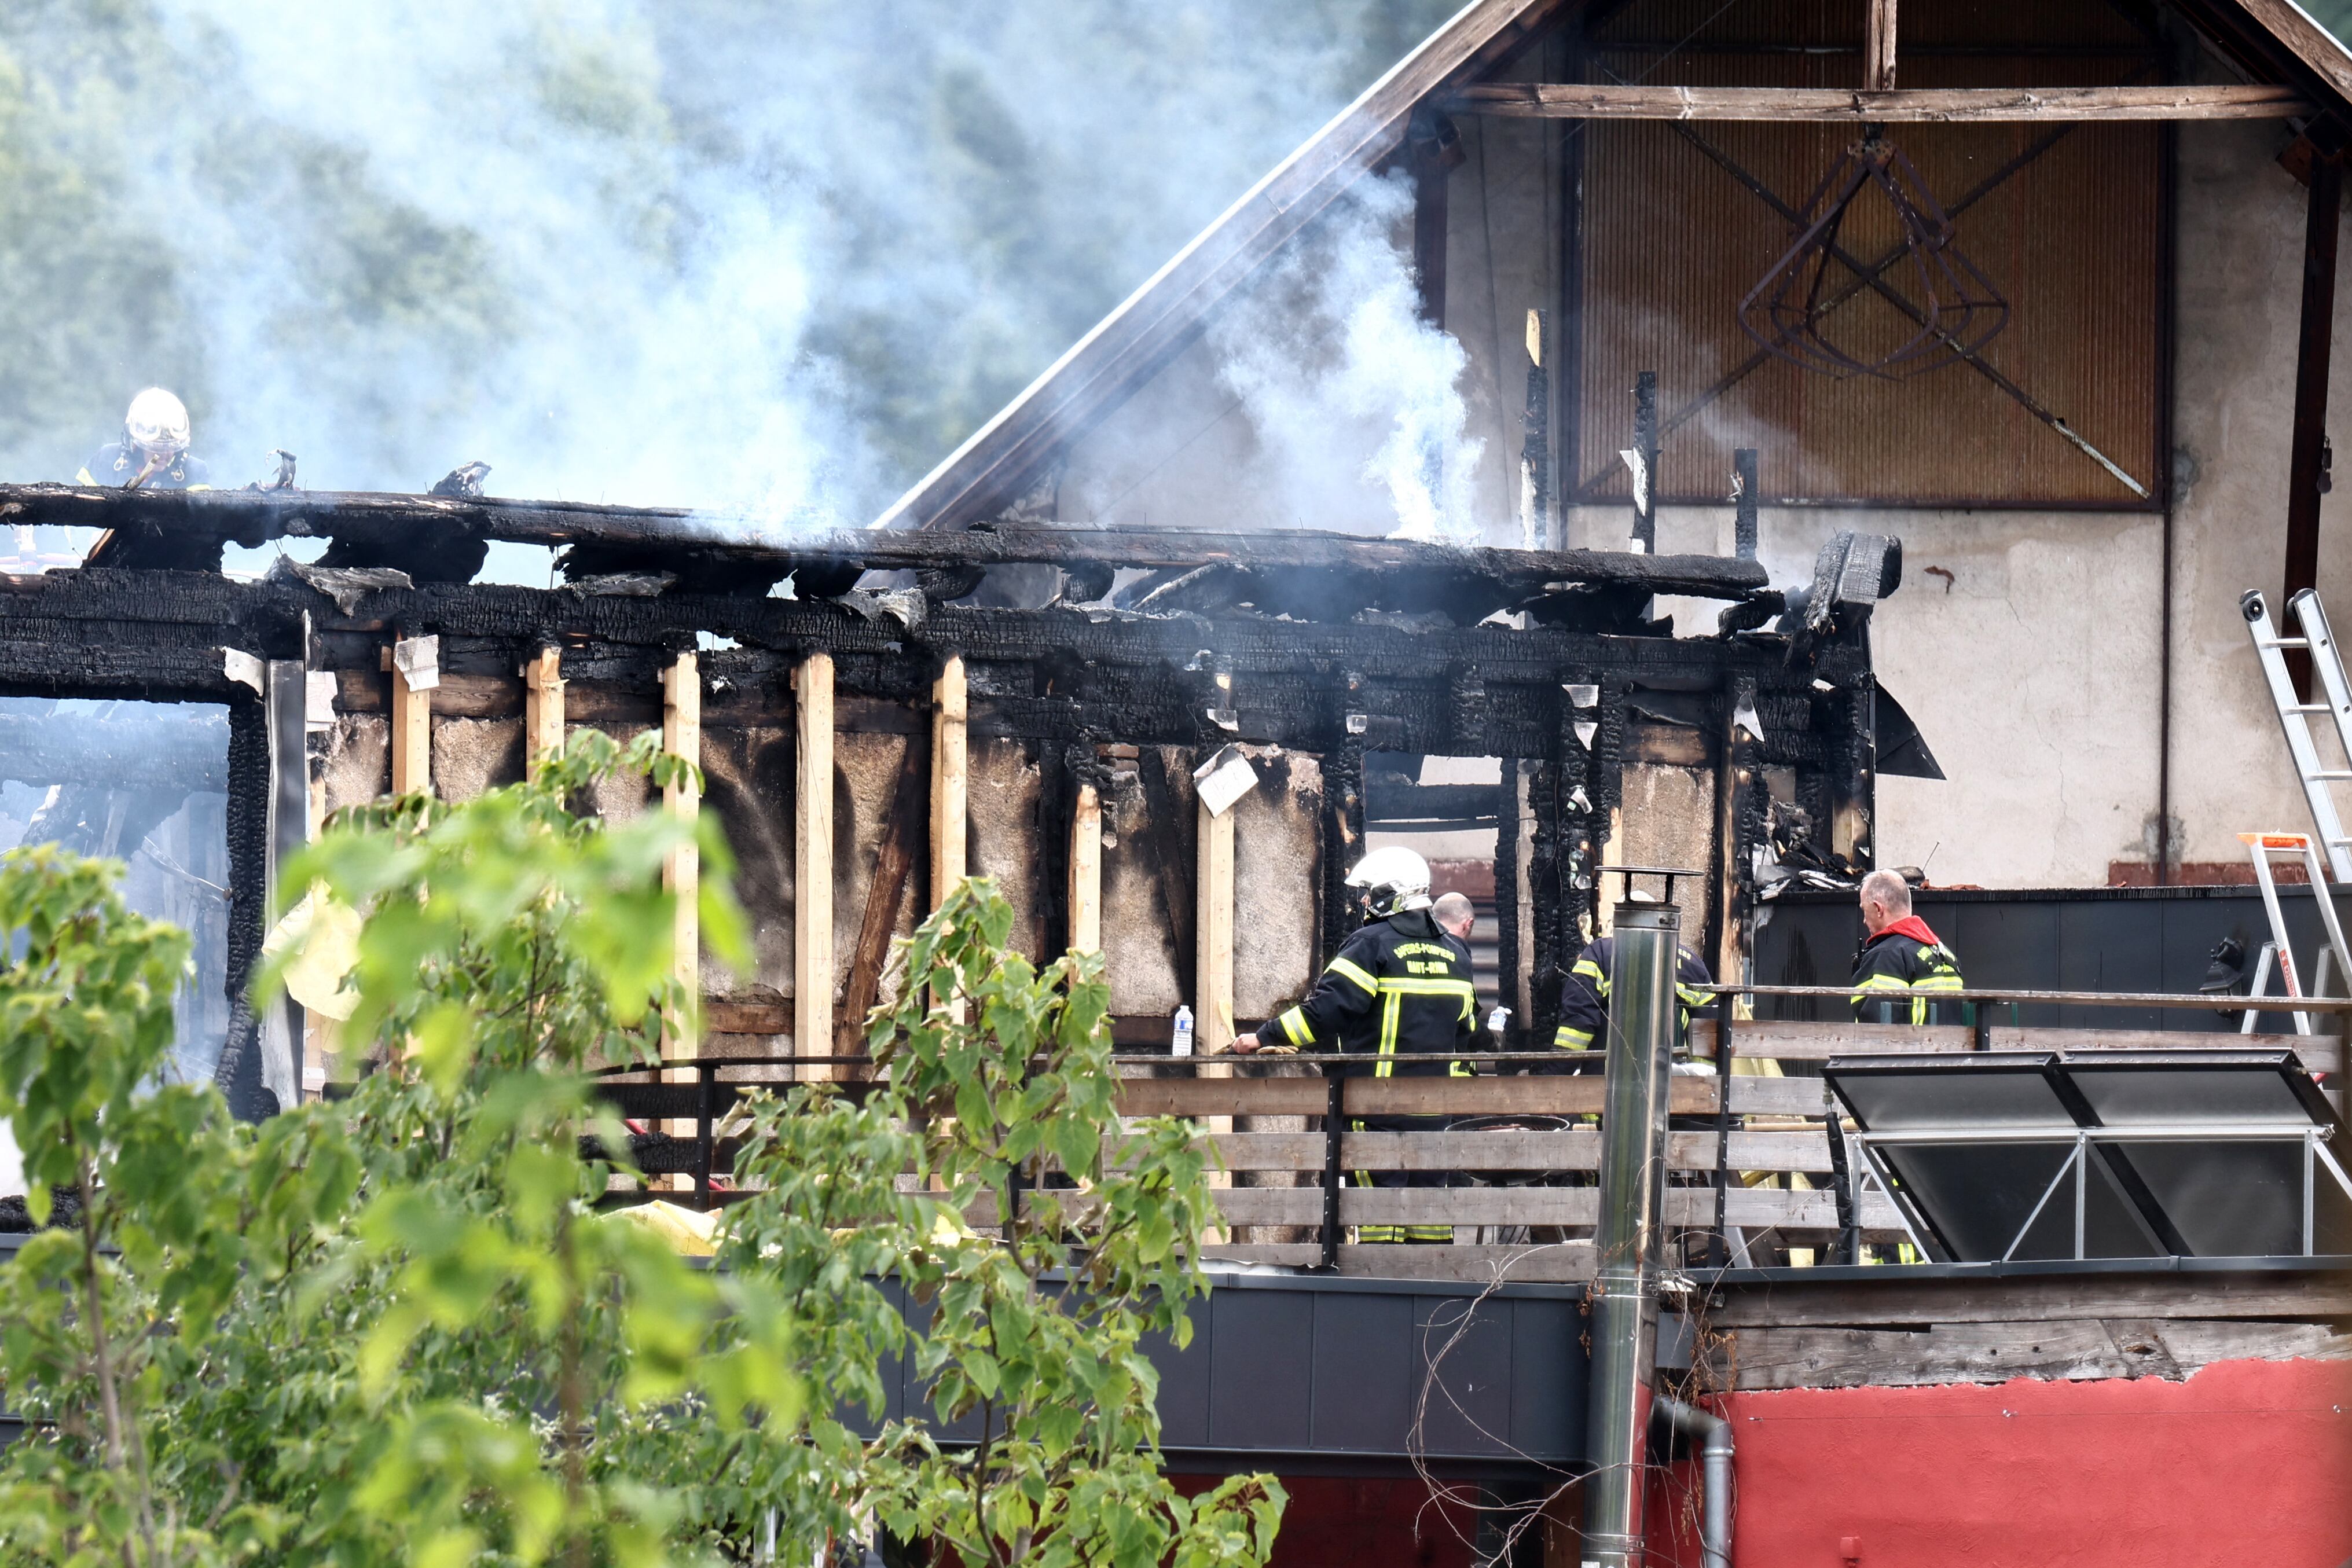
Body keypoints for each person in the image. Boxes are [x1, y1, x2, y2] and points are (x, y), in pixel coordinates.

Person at [1230, 846, 1477, 1243]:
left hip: (1376, 1111)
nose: (1365, 900)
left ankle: (1377, 1293)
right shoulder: (1456, 953)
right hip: (1435, 1116)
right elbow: (1466, 1031)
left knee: (1379, 1222)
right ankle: (1429, 1296)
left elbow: (1324, 1012)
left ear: (1390, 892)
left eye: (1370, 891)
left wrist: (1262, 1036)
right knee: (1429, 1219)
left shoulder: (1370, 944)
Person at [1551, 895, 1718, 1069]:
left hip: (1606, 1083)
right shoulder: (1693, 964)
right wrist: (1701, 1086)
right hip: (1673, 1082)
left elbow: (1577, 1026)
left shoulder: (1600, 953)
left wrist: (1554, 1079)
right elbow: (1710, 1031)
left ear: (1615, 922)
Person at [1850, 868, 1965, 1023]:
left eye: (1865, 910)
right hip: (1951, 1047)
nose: (1864, 921)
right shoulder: (1947, 955)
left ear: (1878, 909)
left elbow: (1877, 1031)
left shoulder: (1887, 956)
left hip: (1912, 1047)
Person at [76, 388, 210, 491]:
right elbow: (76, 513)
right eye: (156, 448)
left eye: (171, 448)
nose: (165, 455)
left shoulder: (194, 472)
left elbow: (202, 525)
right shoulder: (107, 459)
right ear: (136, 444)